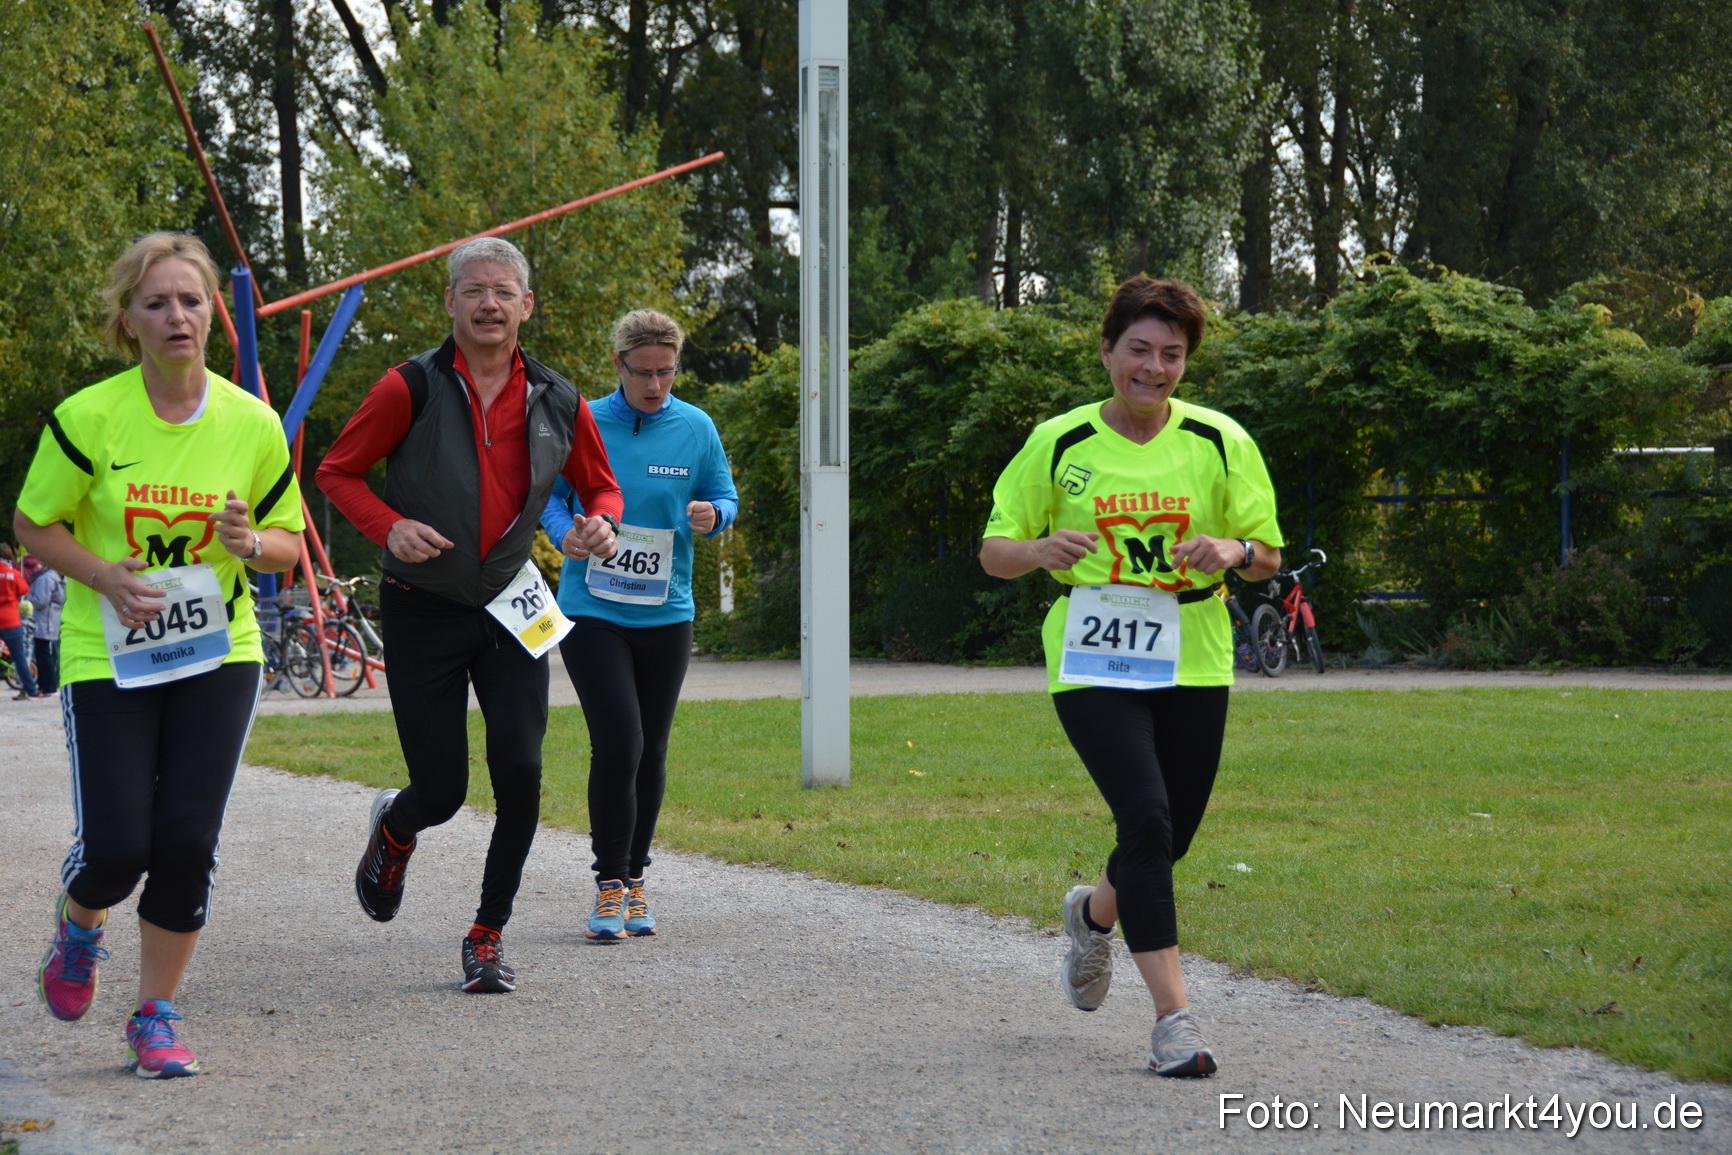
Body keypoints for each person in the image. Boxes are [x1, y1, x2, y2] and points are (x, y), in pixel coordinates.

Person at [13, 231, 305, 1078]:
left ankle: (155, 1014)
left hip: (219, 648)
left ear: (213, 313)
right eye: (156, 303)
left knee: (185, 838)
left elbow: (288, 545)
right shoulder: (90, 417)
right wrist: (104, 574)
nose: (177, 315)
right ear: (128, 320)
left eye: (190, 299)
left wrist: (250, 543)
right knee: (116, 849)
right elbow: (33, 523)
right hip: (108, 651)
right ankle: (79, 924)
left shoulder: (251, 422)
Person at [978, 276, 1283, 1077]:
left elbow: (1267, 554)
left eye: (1172, 354)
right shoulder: (1060, 442)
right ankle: (1174, 1021)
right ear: (1108, 350)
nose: (1153, 367)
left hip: (1195, 650)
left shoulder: (1220, 440)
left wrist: (1233, 551)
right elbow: (994, 551)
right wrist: (1040, 549)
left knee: (1168, 835)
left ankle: (1093, 913)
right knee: (1145, 818)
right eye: (1139, 349)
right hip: (1092, 651)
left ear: (1187, 361)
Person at [317, 236, 623, 994]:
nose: (490, 304)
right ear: (451, 302)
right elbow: (337, 471)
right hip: (422, 608)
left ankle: (487, 934)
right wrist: (389, 526)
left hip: (512, 604)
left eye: (504, 291)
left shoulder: (557, 398)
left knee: (522, 770)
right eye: (475, 291)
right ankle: (396, 827)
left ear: (527, 305)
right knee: (443, 789)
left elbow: (600, 486)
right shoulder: (408, 387)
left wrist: (603, 523)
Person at [539, 309, 738, 941]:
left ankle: (636, 877)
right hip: (593, 610)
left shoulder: (696, 427)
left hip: (666, 612)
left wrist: (714, 515)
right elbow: (550, 497)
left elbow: (725, 496)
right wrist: (564, 535)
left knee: (651, 748)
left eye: (666, 372)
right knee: (619, 743)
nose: (655, 385)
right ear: (618, 365)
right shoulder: (585, 421)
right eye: (643, 372)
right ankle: (608, 884)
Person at [0, 544, 41, 699]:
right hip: (11, 620)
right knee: (19, 657)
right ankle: (31, 690)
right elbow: (24, 589)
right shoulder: (13, 573)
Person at [29, 560, 67, 695]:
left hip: (44, 620)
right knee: (44, 653)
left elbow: (40, 600)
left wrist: (27, 599)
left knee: (43, 654)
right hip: (49, 619)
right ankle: (45, 686)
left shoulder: (46, 577)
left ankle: (48, 687)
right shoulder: (55, 576)